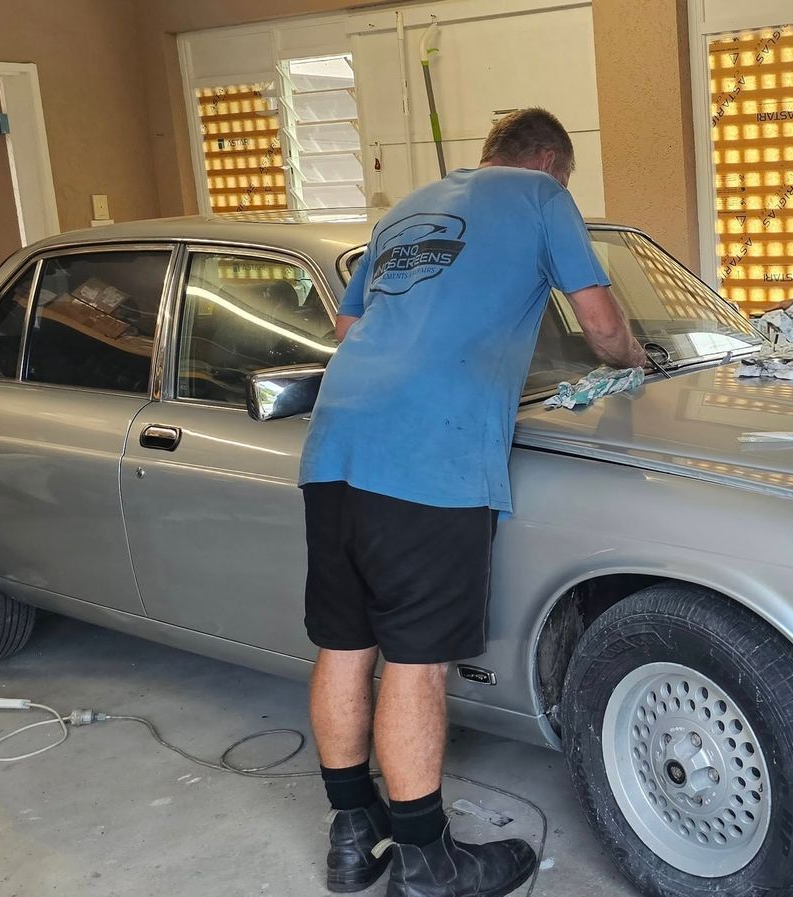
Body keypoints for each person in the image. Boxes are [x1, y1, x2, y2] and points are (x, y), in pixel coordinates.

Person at [298, 108, 643, 897]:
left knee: (346, 643)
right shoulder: (540, 197)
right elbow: (599, 323)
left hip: (335, 445)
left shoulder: (408, 207)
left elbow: (351, 326)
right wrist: (637, 358)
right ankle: (426, 861)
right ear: (551, 162)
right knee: (415, 664)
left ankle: (354, 837)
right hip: (429, 454)